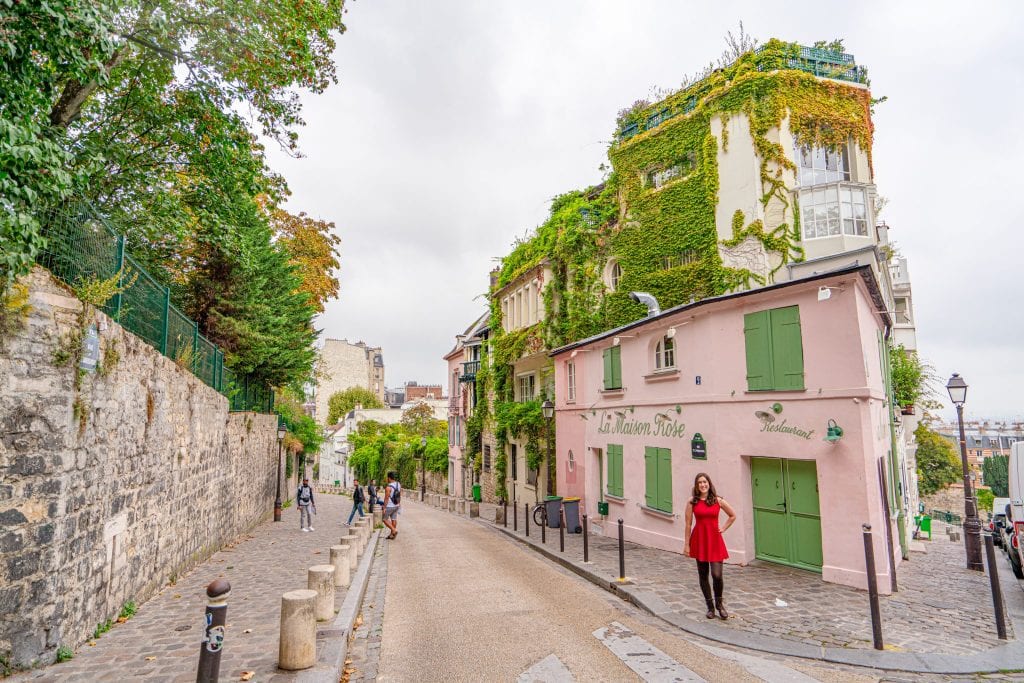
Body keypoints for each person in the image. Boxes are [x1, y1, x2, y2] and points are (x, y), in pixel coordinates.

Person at [683, 472, 736, 619]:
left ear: (709, 484)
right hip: (699, 540)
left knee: (717, 575)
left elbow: (732, 515)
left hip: (714, 540)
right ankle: (710, 607)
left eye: (704, 482)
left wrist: (723, 528)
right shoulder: (691, 502)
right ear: (696, 485)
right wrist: (687, 545)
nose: (702, 485)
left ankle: (720, 604)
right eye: (699, 482)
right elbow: (688, 525)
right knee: (703, 574)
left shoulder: (718, 500)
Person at [381, 471, 402, 539]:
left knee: (384, 519)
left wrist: (384, 508)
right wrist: (399, 503)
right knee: (394, 519)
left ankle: (394, 530)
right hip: (396, 505)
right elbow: (399, 494)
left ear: (389, 478)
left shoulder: (388, 487)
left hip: (390, 506)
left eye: (387, 478)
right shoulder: (398, 484)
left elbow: (386, 498)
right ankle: (392, 535)